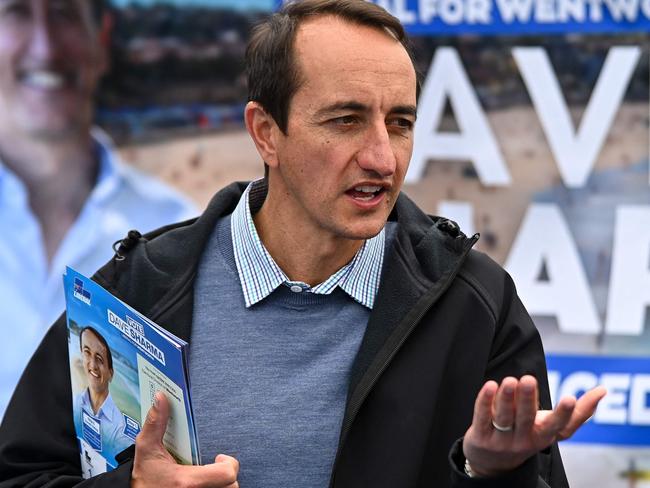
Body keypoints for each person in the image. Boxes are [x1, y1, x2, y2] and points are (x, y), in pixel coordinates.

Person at [0, 1, 605, 487]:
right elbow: (21, 473)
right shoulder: (139, 287)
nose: (381, 157)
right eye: (345, 120)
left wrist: (491, 472)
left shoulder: (477, 303)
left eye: (400, 122)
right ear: (266, 133)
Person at [0, 0, 197, 418]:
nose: (45, 47)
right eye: (16, 12)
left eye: (64, 14)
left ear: (101, 38)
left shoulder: (175, 226)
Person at [73, 327, 133, 469]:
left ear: (110, 374)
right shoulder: (76, 402)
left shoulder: (120, 428)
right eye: (87, 352)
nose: (92, 365)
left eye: (99, 359)